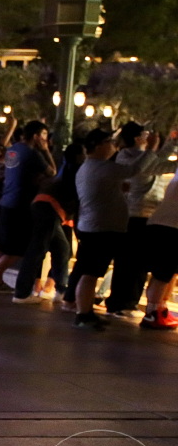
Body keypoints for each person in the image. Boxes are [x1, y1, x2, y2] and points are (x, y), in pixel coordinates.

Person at [70, 128, 158, 329]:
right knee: (90, 273)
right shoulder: (101, 167)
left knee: (90, 272)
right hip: (100, 229)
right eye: (110, 142)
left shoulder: (90, 167)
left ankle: (85, 312)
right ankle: (83, 314)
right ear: (99, 145)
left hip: (94, 226)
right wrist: (151, 148)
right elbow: (135, 170)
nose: (114, 146)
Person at [104, 121, 172, 316]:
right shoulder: (127, 157)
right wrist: (155, 148)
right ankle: (120, 303)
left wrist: (172, 144)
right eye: (146, 134)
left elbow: (159, 163)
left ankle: (128, 302)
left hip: (149, 215)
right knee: (129, 262)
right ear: (137, 138)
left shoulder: (146, 157)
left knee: (140, 262)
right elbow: (144, 170)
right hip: (133, 214)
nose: (151, 137)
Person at [0, 121, 55, 293]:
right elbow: (52, 172)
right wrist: (45, 150)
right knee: (19, 247)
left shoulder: (13, 149)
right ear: (36, 136)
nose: (46, 139)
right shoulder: (32, 153)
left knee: (4, 245)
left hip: (6, 201)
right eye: (44, 135)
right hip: (20, 204)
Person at [12, 143, 84, 304]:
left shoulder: (67, 168)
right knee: (38, 250)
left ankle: (60, 290)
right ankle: (22, 293)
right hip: (50, 209)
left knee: (61, 248)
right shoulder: (78, 170)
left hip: (44, 206)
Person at [139, 163, 178, 329]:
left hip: (161, 223)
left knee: (165, 273)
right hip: (171, 226)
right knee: (163, 274)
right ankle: (153, 312)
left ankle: (159, 309)